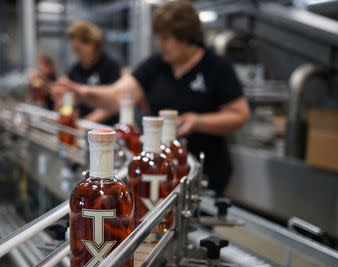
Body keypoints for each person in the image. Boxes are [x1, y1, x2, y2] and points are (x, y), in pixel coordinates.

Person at [52, 1, 250, 196]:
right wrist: (81, 93)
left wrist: (198, 122)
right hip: (158, 172)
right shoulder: (156, 66)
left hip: (204, 171)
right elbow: (118, 96)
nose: (159, 44)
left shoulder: (216, 67)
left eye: (164, 38)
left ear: (185, 37)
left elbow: (240, 114)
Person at [63, 21, 121, 125]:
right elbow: (71, 100)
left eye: (78, 49)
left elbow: (114, 102)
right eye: (74, 49)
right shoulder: (75, 70)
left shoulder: (110, 67)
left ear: (91, 44)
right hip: (82, 128)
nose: (76, 54)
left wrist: (85, 123)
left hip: (104, 131)